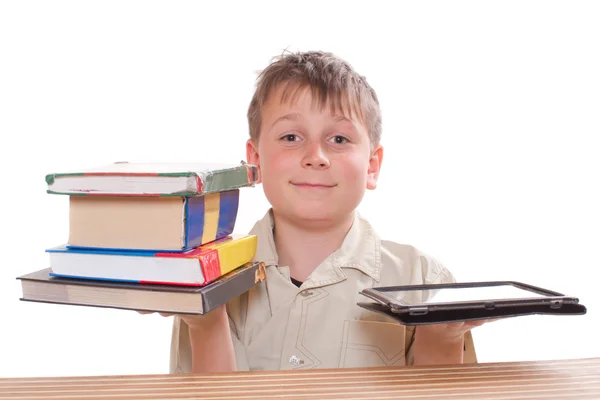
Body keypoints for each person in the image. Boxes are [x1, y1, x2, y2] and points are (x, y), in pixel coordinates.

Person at [169, 50, 486, 373]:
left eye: (338, 138)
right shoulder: (209, 277)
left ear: (372, 166)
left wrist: (443, 339)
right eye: (291, 137)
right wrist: (207, 324)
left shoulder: (423, 280)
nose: (316, 156)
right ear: (256, 161)